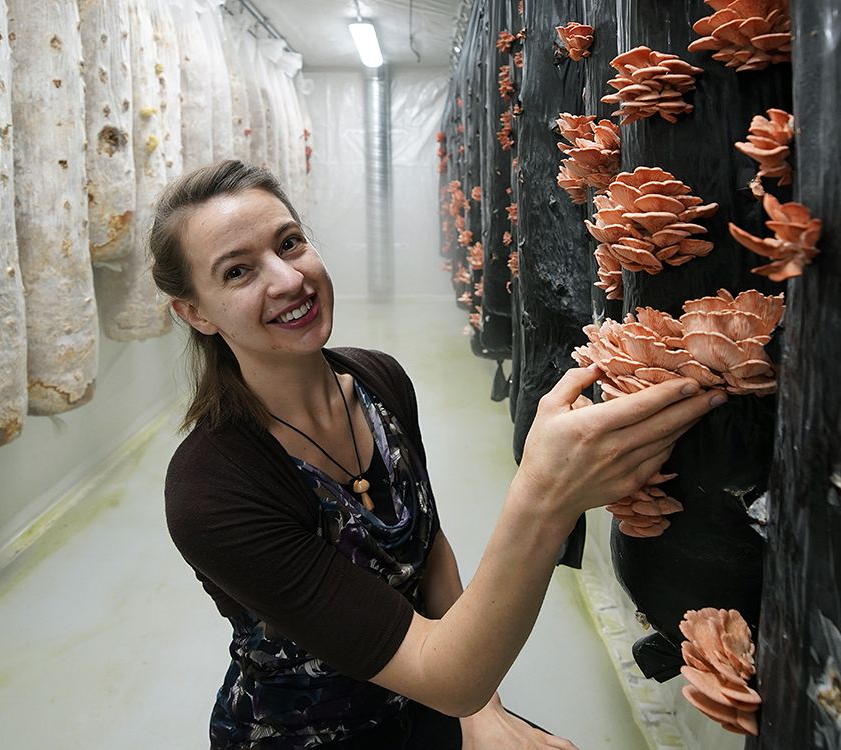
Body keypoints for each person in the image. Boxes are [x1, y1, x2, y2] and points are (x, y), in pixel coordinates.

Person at [150, 160, 722, 749]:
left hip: (433, 691)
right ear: (193, 311)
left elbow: (430, 554)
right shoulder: (212, 489)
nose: (288, 280)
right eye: (238, 271)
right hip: (307, 730)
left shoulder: (380, 380)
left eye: (289, 243)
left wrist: (482, 713)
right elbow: (442, 674)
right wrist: (546, 496)